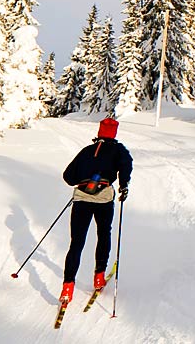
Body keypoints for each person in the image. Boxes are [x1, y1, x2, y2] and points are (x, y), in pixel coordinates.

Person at [58, 117, 132, 304]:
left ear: (99, 132)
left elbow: (68, 177)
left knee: (76, 242)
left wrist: (85, 180)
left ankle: (67, 288)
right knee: (103, 235)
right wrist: (123, 186)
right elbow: (126, 165)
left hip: (82, 199)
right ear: (114, 134)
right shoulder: (119, 150)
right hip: (104, 199)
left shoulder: (86, 151)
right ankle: (99, 277)